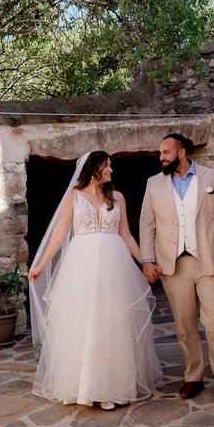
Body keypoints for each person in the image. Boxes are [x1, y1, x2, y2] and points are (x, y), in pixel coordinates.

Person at [29, 151, 161, 410]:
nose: (111, 170)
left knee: (112, 322)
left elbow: (126, 236)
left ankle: (111, 387)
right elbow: (59, 235)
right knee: (84, 322)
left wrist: (146, 261)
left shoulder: (117, 197)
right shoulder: (74, 197)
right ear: (94, 169)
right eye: (107, 165)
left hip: (115, 266)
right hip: (83, 266)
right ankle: (83, 387)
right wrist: (41, 265)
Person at [139, 133, 214, 399]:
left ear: (182, 152)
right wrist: (147, 260)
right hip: (174, 267)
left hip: (212, 262)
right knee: (185, 325)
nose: (161, 157)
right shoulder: (153, 184)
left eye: (166, 152)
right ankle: (193, 376)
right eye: (160, 153)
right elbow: (146, 225)